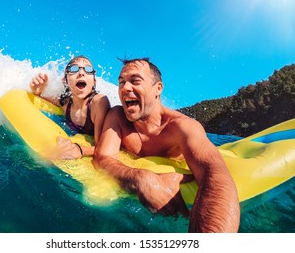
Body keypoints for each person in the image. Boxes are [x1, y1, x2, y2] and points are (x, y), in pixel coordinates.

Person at [92, 58, 240, 232]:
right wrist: (140, 178)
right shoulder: (117, 116)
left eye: (135, 81)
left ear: (158, 88)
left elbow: (213, 173)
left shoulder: (182, 127)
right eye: (121, 82)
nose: (125, 88)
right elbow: (102, 158)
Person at [30, 55, 110, 159]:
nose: (81, 73)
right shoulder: (65, 103)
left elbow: (103, 148)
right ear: (66, 81)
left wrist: (79, 149)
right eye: (74, 69)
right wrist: (37, 89)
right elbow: (41, 95)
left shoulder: (98, 103)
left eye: (88, 69)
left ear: (94, 82)